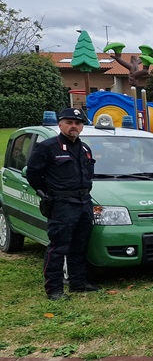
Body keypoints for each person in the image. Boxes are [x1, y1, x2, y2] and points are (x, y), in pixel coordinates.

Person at [25, 107, 98, 300]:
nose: (74, 126)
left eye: (78, 123)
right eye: (69, 122)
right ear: (60, 124)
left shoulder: (84, 149)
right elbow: (32, 173)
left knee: (79, 245)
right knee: (58, 247)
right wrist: (46, 193)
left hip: (84, 201)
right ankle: (54, 290)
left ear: (82, 126)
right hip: (62, 204)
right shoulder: (48, 147)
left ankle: (78, 283)